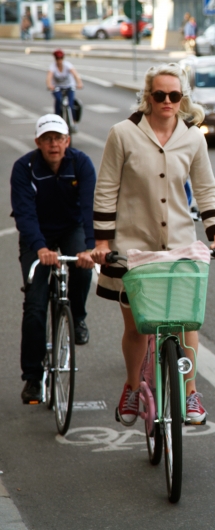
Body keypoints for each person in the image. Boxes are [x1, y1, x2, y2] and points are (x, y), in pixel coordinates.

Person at [91, 63, 215, 427]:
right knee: (137, 326)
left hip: (179, 246)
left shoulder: (193, 138)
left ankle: (190, 393)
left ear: (182, 98)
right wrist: (103, 242)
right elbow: (106, 188)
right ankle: (131, 387)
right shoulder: (123, 134)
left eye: (174, 95)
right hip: (132, 247)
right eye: (160, 95)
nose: (167, 101)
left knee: (187, 321)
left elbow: (205, 189)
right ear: (148, 97)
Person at [11, 114, 96, 404]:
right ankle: (33, 379)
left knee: (84, 268)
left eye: (58, 138)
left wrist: (91, 247)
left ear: (67, 141)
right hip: (38, 234)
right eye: (47, 139)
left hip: (72, 226)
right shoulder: (24, 168)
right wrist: (39, 248)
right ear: (38, 142)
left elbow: (89, 206)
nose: (53, 144)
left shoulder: (80, 163)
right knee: (34, 306)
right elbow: (24, 213)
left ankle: (78, 317)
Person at [46, 49, 84, 131]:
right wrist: (49, 85)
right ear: (55, 59)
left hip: (69, 86)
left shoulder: (67, 65)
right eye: (57, 59)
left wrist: (79, 83)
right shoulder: (52, 67)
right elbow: (49, 77)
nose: (59, 61)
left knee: (70, 104)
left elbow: (75, 74)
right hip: (57, 87)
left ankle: (73, 122)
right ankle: (57, 120)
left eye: (61, 59)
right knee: (59, 100)